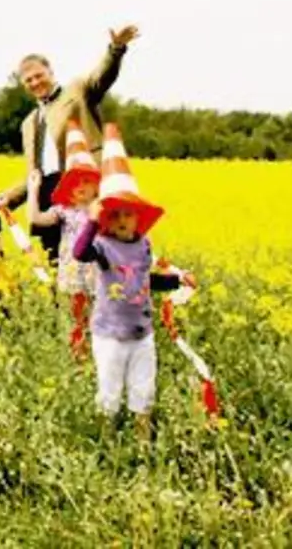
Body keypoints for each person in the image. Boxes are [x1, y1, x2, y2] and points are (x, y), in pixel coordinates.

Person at [71, 124, 193, 439]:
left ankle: (142, 442)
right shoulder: (102, 245)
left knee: (144, 389)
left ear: (139, 216)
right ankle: (107, 440)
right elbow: (79, 252)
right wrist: (93, 220)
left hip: (142, 333)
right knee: (109, 392)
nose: (122, 219)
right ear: (106, 219)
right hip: (109, 335)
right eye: (115, 214)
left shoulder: (143, 245)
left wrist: (178, 281)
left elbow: (145, 282)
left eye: (128, 213)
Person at [0, 26, 140, 262]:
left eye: (39, 75)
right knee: (56, 262)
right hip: (48, 196)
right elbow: (34, 174)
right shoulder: (28, 123)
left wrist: (116, 49)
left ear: (50, 72)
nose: (35, 82)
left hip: (83, 189)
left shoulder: (77, 91)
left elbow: (101, 77)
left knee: (95, 257)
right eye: (28, 80)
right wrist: (9, 198)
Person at [27, 119, 102, 360]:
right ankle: (79, 362)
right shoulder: (63, 210)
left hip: (100, 276)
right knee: (77, 320)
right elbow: (36, 218)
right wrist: (34, 189)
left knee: (100, 322)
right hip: (73, 274)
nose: (81, 186)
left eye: (86, 181)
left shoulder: (103, 210)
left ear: (96, 186)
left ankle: (99, 362)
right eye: (75, 181)